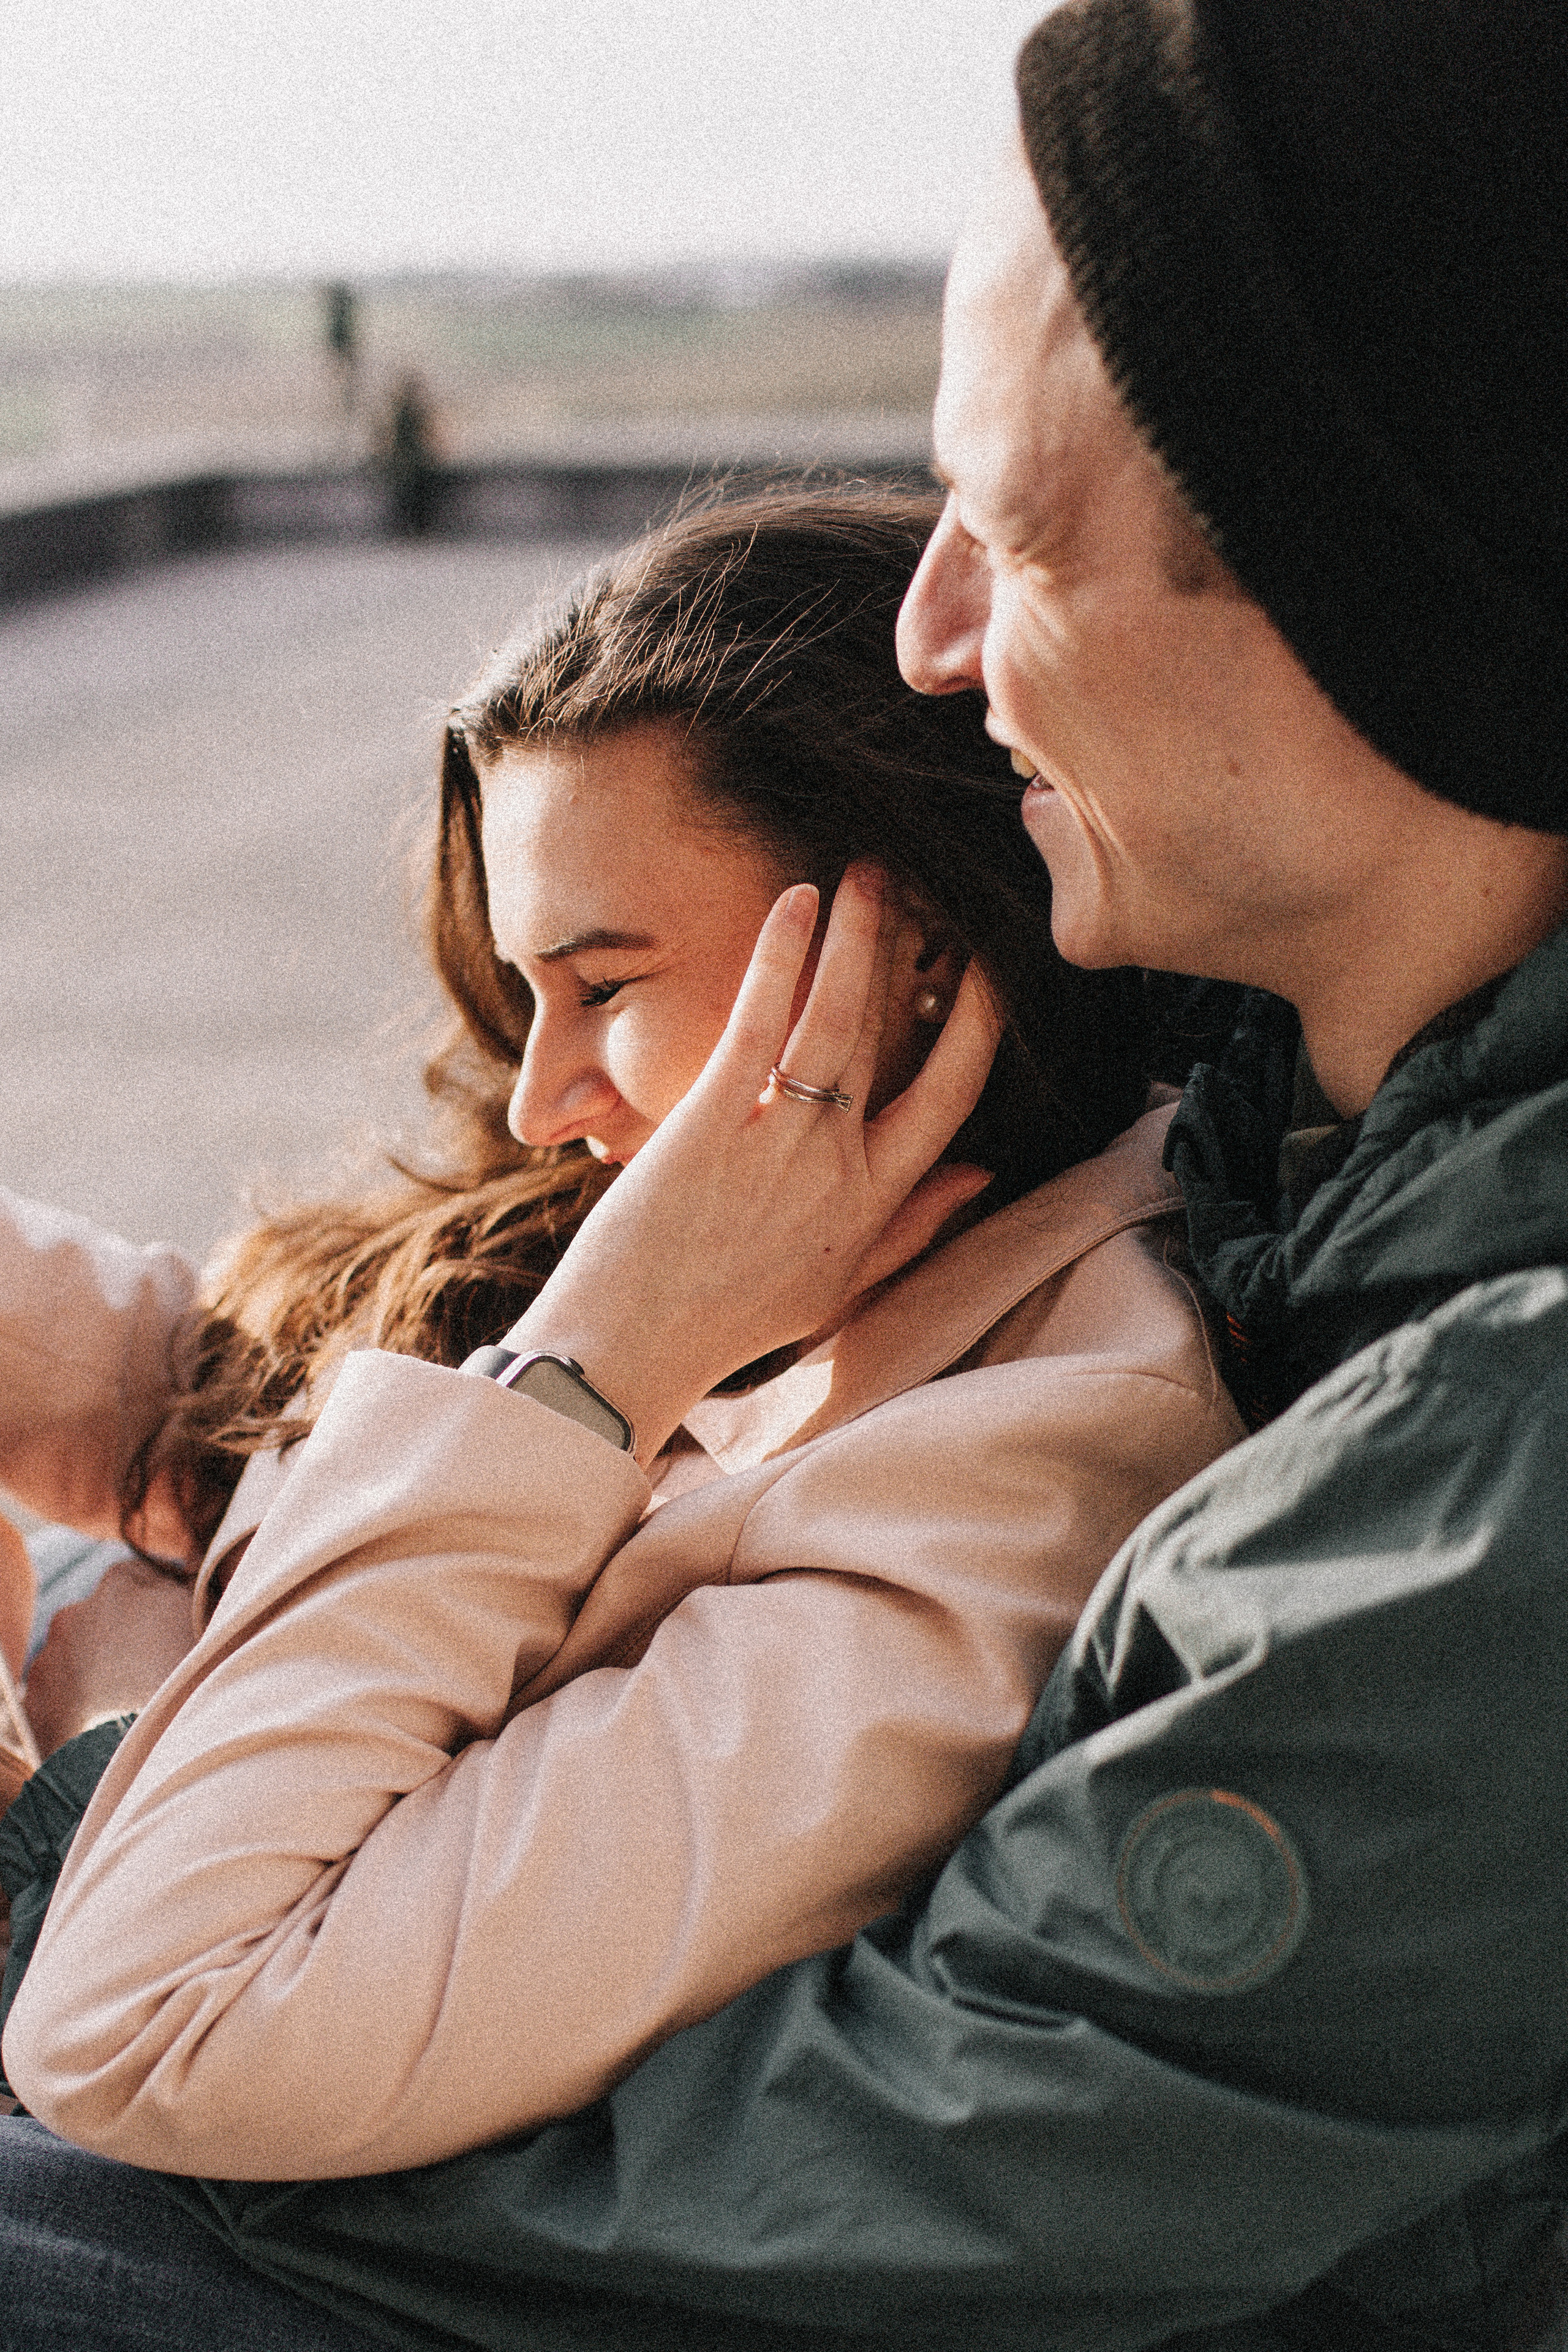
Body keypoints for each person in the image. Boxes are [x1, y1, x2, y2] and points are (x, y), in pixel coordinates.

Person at [2, 0, 1564, 2343]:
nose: (933, 639)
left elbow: (841, 2175)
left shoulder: (1430, 1476)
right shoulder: (1276, 1106)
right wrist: (144, 1405)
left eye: (1012, 534)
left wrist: (97, 1752)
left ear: (1378, 595)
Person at [0, 489, 1240, 2172]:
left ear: (912, 966)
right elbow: (203, 1399)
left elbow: (151, 2022)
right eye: (527, 998)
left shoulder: (1000, 1488)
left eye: (604, 985)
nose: (535, 1098)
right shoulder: (730, 1251)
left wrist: (92, 1755)